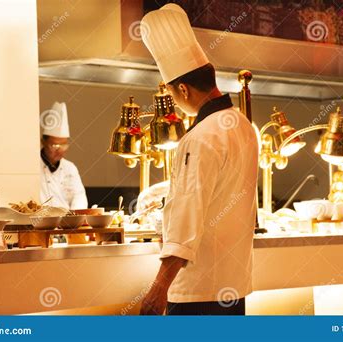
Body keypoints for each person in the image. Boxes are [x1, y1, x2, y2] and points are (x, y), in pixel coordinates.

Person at [139, 4, 258, 315]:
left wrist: (159, 286)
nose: (176, 104)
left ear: (182, 88)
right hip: (233, 288)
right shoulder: (244, 126)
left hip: (198, 293)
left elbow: (186, 214)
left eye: (173, 95)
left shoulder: (200, 137)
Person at [40, 102, 88, 209]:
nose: (60, 150)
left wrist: (74, 217)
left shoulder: (70, 168)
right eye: (55, 145)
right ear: (43, 142)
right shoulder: (32, 166)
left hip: (67, 223)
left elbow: (79, 196)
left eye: (64, 145)